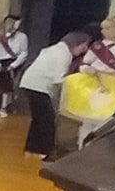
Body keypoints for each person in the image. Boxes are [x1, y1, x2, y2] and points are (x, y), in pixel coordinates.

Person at [60, 15, 115, 142]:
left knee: (108, 119)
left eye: (107, 28)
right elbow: (84, 63)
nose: (103, 31)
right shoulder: (97, 46)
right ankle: (83, 145)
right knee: (88, 119)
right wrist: (88, 70)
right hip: (94, 81)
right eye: (102, 28)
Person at [21, 32, 93, 161]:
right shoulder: (64, 54)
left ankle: (32, 149)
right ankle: (45, 152)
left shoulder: (55, 48)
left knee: (38, 119)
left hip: (30, 83)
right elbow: (58, 79)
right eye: (84, 45)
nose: (85, 49)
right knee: (48, 120)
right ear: (76, 43)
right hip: (39, 86)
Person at [0, 14, 31, 117]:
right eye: (8, 22)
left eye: (12, 22)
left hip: (11, 62)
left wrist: (14, 65)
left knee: (6, 87)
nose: (9, 25)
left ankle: (3, 108)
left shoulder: (22, 37)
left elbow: (23, 53)